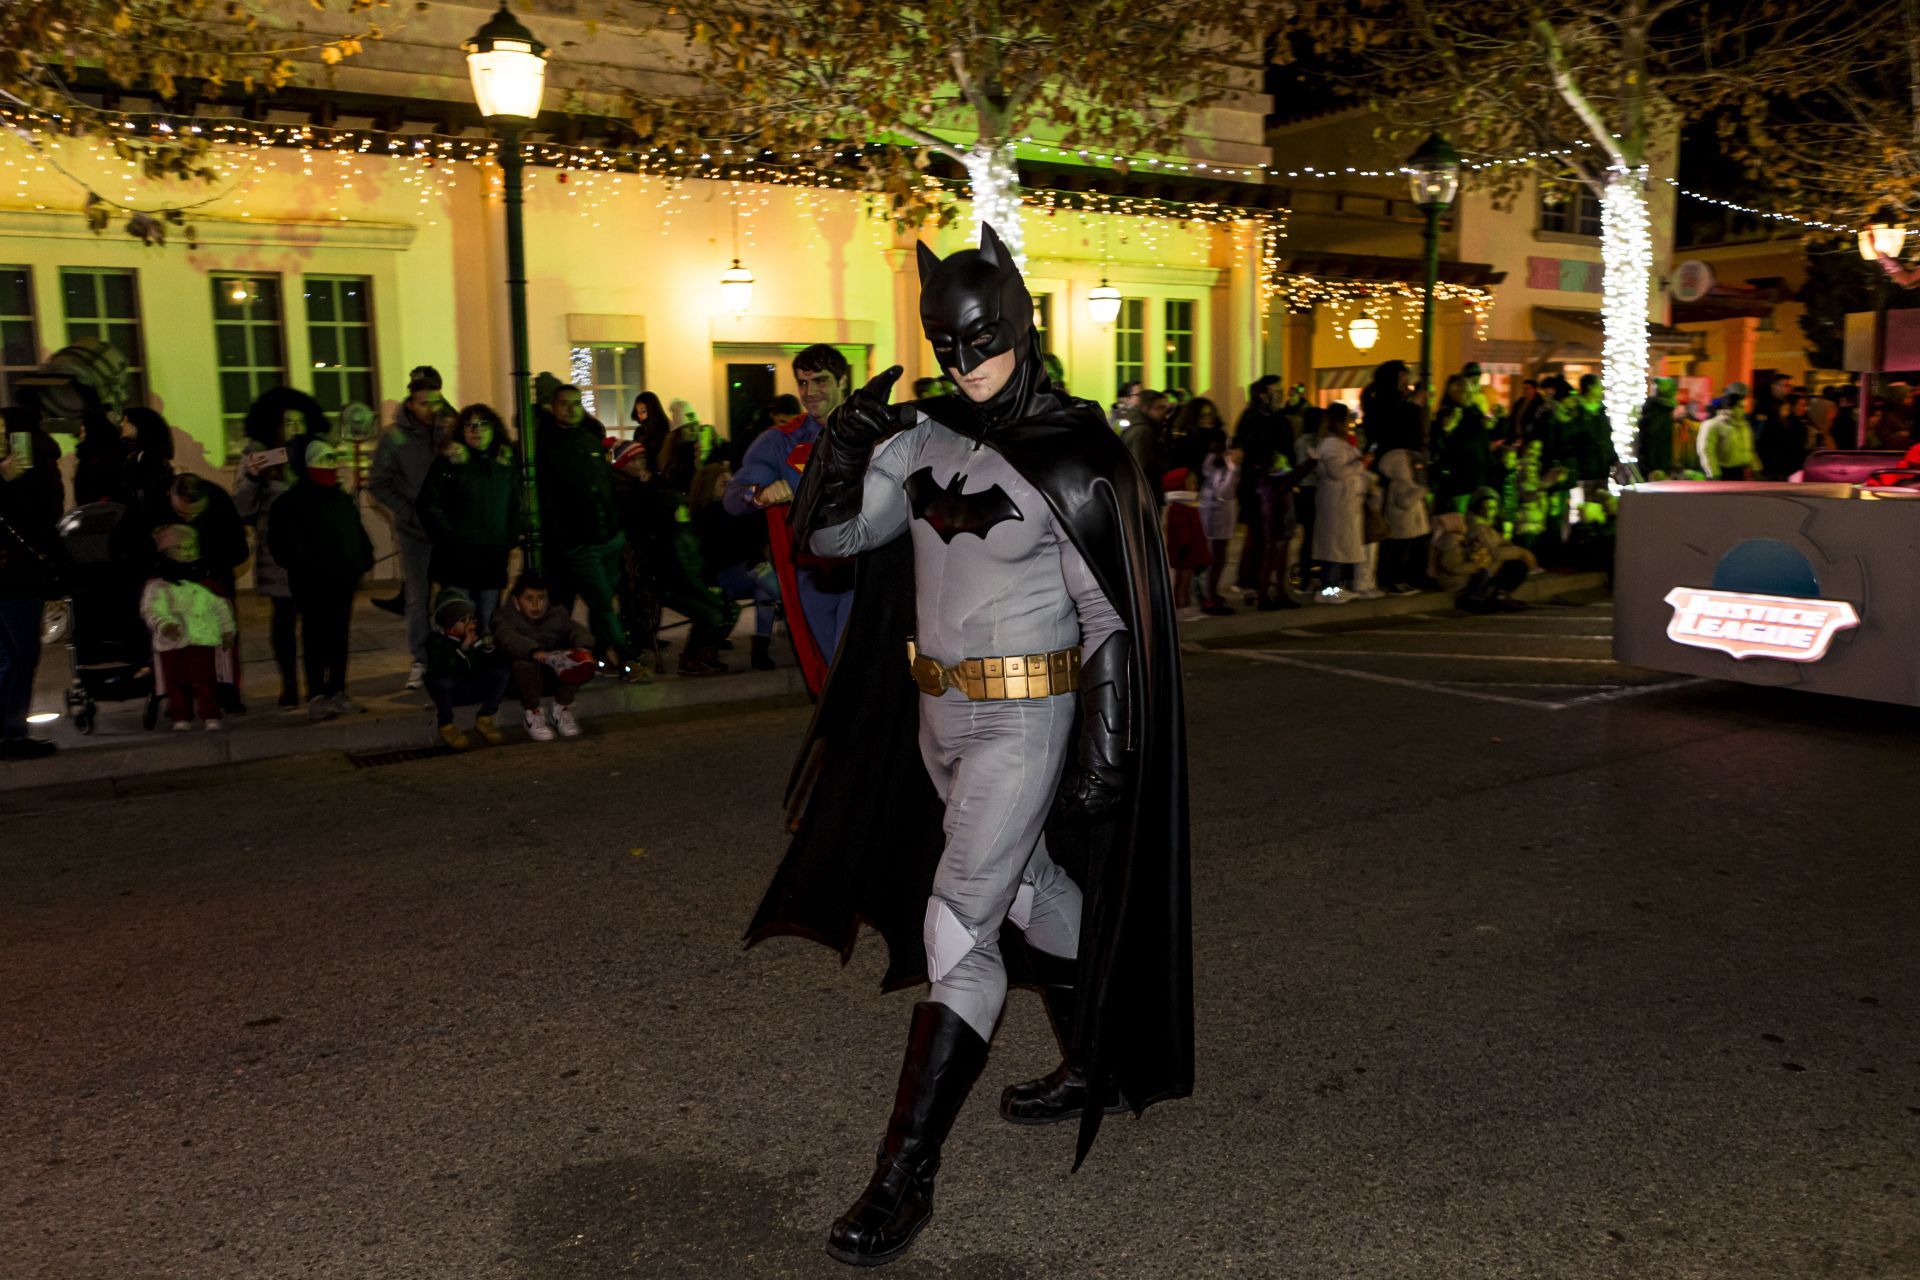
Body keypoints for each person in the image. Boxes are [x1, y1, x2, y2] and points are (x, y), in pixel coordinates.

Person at [751, 224, 1189, 1267]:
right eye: (946, 346)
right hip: (935, 715)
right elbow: (828, 539)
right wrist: (849, 444)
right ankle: (1100, 1052)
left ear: (1022, 325)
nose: (964, 364)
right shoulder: (922, 440)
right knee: (1034, 892)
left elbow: (1110, 609)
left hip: (1024, 719)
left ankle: (905, 1175)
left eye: (980, 342)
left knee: (963, 925)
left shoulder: (1076, 450)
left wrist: (1108, 737)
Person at [723, 344, 857, 695]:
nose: (810, 392)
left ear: (843, 380)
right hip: (816, 572)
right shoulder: (780, 442)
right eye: (803, 382)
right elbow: (733, 498)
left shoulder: (874, 430)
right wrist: (759, 495)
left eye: (821, 381)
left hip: (869, 570)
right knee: (833, 670)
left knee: (858, 664)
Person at [534, 375, 641, 679]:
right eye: (564, 404)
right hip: (581, 543)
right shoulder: (546, 446)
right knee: (603, 602)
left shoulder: (589, 440)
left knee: (603, 603)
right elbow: (549, 497)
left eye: (575, 404)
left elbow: (606, 485)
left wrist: (616, 525)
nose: (570, 409)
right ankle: (626, 659)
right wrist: (564, 536)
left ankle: (601, 658)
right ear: (552, 408)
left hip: (608, 537)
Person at [269, 441, 373, 722]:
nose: (331, 464)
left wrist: (362, 561)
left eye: (333, 459)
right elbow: (282, 543)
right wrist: (308, 564)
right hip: (311, 583)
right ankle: (316, 694)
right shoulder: (291, 502)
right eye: (324, 459)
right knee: (315, 637)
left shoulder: (340, 500)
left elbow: (356, 534)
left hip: (341, 582)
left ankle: (337, 690)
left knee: (339, 638)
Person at [235, 389, 323, 709]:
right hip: (279, 551)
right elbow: (241, 504)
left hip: (314, 547)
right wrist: (253, 477)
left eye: (299, 421)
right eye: (288, 422)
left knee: (315, 620)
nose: (295, 427)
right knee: (284, 618)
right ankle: (288, 683)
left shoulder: (313, 451)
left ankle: (316, 683)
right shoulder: (257, 454)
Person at [369, 366, 447, 689]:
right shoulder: (394, 436)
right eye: (423, 403)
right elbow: (379, 483)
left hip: (449, 529)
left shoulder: (452, 429)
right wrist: (409, 514)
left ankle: (451, 654)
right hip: (415, 532)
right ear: (410, 403)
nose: (430, 410)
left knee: (453, 593)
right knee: (417, 597)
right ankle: (420, 659)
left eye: (435, 402)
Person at [419, 403, 520, 632]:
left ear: (494, 429)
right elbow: (429, 503)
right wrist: (451, 536)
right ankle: (463, 665)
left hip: (492, 556)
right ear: (461, 430)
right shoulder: (449, 463)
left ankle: (486, 664)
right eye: (470, 425)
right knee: (460, 622)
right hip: (458, 558)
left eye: (483, 424)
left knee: (488, 621)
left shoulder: (504, 464)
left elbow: (515, 504)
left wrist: (510, 536)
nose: (477, 430)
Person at [0, 409, 63, 759]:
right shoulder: (30, 467)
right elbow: (48, 513)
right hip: (16, 575)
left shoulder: (33, 465)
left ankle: (10, 732)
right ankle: (12, 734)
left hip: (16, 572)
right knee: (20, 655)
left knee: (10, 656)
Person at [140, 525, 237, 731]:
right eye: (180, 548)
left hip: (203, 638)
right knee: (176, 682)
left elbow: (220, 606)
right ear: (166, 551)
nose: (187, 552)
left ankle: (210, 712)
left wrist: (227, 629)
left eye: (191, 547)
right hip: (173, 642)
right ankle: (180, 715)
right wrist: (164, 624)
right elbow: (151, 609)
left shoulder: (204, 581)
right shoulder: (159, 585)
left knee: (206, 679)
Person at [689, 457, 779, 671]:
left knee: (763, 592)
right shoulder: (706, 514)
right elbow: (717, 553)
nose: (730, 488)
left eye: (732, 484)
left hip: (746, 572)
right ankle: (788, 600)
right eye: (724, 484)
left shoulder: (736, 510)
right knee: (759, 570)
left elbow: (757, 533)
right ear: (710, 487)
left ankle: (760, 649)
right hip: (720, 576)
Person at [492, 572, 596, 741]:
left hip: (550, 674)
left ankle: (561, 708)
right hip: (520, 681)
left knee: (579, 658)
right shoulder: (504, 616)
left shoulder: (556, 613)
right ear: (516, 601)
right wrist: (534, 652)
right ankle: (532, 714)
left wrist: (583, 647)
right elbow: (508, 637)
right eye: (529, 598)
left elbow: (576, 629)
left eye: (541, 598)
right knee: (523, 664)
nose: (536, 604)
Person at [422, 586, 510, 750]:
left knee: (502, 671)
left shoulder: (477, 635)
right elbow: (443, 667)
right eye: (465, 620)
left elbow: (491, 662)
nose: (471, 623)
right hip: (452, 693)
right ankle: (446, 724)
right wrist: (463, 648)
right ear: (450, 624)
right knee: (443, 682)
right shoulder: (436, 641)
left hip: (472, 688)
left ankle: (485, 717)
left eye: (472, 618)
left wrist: (487, 648)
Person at [1231, 375, 1289, 603]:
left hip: (1273, 481)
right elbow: (1247, 449)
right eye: (1276, 392)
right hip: (1258, 485)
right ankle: (1249, 580)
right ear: (1264, 395)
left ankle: (1261, 579)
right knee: (1257, 534)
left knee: (1268, 535)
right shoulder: (1254, 418)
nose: (1281, 396)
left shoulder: (1275, 418)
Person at [1430, 495, 1538, 613]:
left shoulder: (1462, 536)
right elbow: (1452, 567)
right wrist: (1478, 565)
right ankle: (1477, 600)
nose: (1463, 521)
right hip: (1458, 582)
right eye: (1459, 519)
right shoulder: (1451, 540)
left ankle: (1497, 597)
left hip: (1470, 577)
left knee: (1513, 567)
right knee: (1496, 574)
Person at [1310, 403, 1367, 603]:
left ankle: (1335, 588)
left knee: (1339, 547)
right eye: (1346, 420)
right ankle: (1328, 591)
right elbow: (1338, 472)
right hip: (1337, 502)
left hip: (1343, 502)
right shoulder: (1331, 445)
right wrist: (1362, 463)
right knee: (1334, 548)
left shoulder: (1338, 443)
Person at [1429, 373, 1490, 514]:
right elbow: (1440, 446)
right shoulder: (1448, 415)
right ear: (1453, 393)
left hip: (1478, 478)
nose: (1470, 395)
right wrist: (1447, 430)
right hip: (1460, 481)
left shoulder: (1475, 413)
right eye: (1465, 392)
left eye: (1472, 391)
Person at [1376, 439, 1430, 594]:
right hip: (1402, 526)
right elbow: (1404, 503)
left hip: (1409, 526)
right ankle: (1394, 583)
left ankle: (1400, 581)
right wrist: (1421, 491)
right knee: (1398, 556)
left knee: (1403, 555)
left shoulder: (1408, 483)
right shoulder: (1400, 484)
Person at [1196, 430, 1238, 615]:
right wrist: (1233, 469)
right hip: (1216, 516)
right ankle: (1210, 597)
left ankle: (1212, 594)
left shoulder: (1215, 463)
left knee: (1219, 557)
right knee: (1216, 558)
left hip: (1219, 516)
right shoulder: (1221, 466)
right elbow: (1224, 493)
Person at [1161, 467, 1210, 621]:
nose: (1195, 484)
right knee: (1182, 581)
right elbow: (1180, 530)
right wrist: (1185, 547)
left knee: (1186, 580)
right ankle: (1179, 608)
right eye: (1190, 481)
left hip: (1190, 550)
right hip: (1185, 550)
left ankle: (1186, 606)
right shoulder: (1179, 506)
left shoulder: (1188, 503)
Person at [1361, 360, 1423, 460]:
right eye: (1402, 376)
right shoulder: (1381, 405)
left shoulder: (1400, 402)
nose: (1406, 380)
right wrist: (1414, 407)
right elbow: (1393, 431)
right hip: (1391, 461)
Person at [1698, 383, 1756, 480]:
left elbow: (1749, 449)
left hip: (1740, 472)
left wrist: (1755, 468)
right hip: (1721, 472)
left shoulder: (1744, 424)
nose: (1743, 410)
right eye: (1740, 406)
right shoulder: (1713, 424)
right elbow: (1707, 451)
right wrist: (1714, 473)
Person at [1120, 390, 1171, 498]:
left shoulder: (1143, 428)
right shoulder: (1143, 432)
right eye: (1159, 408)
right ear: (1145, 409)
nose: (1164, 412)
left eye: (1165, 407)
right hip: (1145, 495)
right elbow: (1141, 468)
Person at [1758, 391, 1813, 480]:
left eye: (1805, 405)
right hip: (1780, 470)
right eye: (1800, 405)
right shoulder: (1779, 424)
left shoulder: (1801, 423)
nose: (1803, 408)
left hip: (1789, 470)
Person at [1635, 377, 1679, 478]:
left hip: (1658, 468)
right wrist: (1655, 469)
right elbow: (1652, 442)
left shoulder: (1657, 411)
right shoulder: (1659, 413)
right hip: (1657, 470)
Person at [1165, 397, 1221, 473]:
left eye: (1211, 414)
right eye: (1203, 415)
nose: (1209, 418)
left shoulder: (1219, 435)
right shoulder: (1184, 441)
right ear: (1194, 417)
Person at [630, 391, 670, 466]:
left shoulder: (665, 428)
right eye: (637, 412)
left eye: (643, 411)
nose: (639, 415)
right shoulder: (640, 430)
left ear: (652, 410)